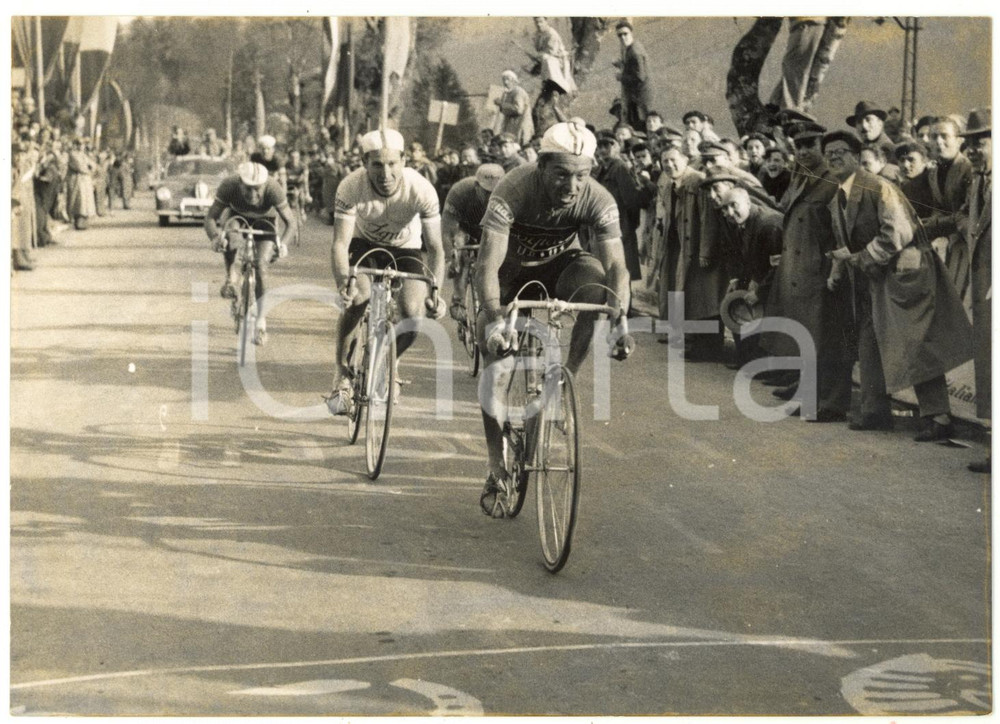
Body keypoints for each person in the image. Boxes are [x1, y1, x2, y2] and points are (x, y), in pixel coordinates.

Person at [473, 120, 632, 516]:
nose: (572, 186)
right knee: (497, 368)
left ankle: (567, 377)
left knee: (597, 287)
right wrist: (493, 318)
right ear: (541, 165)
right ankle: (496, 466)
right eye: (561, 174)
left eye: (581, 176)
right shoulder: (512, 188)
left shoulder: (597, 198)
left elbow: (618, 269)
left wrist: (620, 319)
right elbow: (486, 266)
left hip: (560, 265)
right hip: (510, 270)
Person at [823, 130, 972, 438]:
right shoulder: (839, 194)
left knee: (916, 344)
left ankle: (940, 418)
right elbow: (846, 241)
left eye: (840, 151)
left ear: (856, 156)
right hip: (875, 277)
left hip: (905, 276)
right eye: (829, 153)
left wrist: (861, 258)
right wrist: (842, 265)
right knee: (870, 342)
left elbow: (898, 232)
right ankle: (874, 411)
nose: (833, 157)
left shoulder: (878, 187)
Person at [326, 129, 447, 414]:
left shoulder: (422, 189)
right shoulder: (350, 187)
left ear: (404, 161)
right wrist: (345, 284)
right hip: (365, 244)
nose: (385, 173)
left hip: (406, 249)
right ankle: (342, 372)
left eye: (392, 163)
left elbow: (437, 249)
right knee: (358, 299)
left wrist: (436, 291)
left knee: (413, 315)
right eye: (377, 164)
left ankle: (389, 361)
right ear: (364, 163)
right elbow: (340, 244)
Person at [762, 122, 854, 417]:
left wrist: (834, 268)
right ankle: (808, 392)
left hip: (821, 270)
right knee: (805, 337)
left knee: (824, 340)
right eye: (799, 146)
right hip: (798, 271)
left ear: (822, 148)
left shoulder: (832, 180)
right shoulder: (801, 177)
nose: (803, 151)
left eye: (810, 145)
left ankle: (825, 400)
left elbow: (840, 229)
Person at [203, 161, 294, 346]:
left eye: (257, 189)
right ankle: (231, 277)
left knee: (261, 266)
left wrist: (283, 244)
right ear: (240, 183)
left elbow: (291, 223)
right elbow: (211, 217)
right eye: (247, 189)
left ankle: (261, 320)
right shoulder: (229, 185)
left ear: (265, 185)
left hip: (265, 221)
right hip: (237, 217)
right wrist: (214, 237)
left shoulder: (274, 188)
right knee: (230, 237)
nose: (252, 195)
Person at [958, 109, 991, 472]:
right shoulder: (979, 182)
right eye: (969, 144)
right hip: (983, 290)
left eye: (980, 142)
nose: (973, 150)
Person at [652, 144, 704, 343]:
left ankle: (689, 334)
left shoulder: (696, 181)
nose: (669, 164)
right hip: (672, 240)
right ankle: (674, 330)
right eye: (665, 160)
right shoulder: (668, 183)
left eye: (674, 160)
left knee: (687, 287)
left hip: (691, 242)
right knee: (671, 285)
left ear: (685, 160)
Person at [442, 163, 506, 320]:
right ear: (477, 186)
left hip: (492, 226)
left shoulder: (508, 192)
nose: (491, 196)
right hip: (464, 226)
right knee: (459, 254)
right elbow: (447, 228)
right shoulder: (460, 191)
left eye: (495, 191)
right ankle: (458, 299)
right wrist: (451, 255)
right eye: (487, 192)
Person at [594, 135, 655, 287]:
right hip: (606, 226)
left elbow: (631, 200)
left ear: (616, 147)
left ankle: (623, 310)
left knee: (620, 271)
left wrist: (628, 226)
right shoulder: (602, 169)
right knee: (607, 271)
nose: (603, 150)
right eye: (600, 146)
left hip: (620, 228)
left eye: (607, 146)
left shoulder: (619, 167)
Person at [926, 116, 975, 302]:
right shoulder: (934, 172)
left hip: (966, 243)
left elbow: (969, 212)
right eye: (934, 136)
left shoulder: (968, 168)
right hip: (945, 245)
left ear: (959, 139)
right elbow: (937, 207)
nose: (939, 141)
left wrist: (935, 224)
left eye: (945, 136)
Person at [529, 17, 576, 133]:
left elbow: (552, 51)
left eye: (541, 22)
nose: (539, 24)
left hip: (557, 59)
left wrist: (540, 55)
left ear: (546, 22)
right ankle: (546, 80)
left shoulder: (552, 34)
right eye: (536, 22)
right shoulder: (537, 35)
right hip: (545, 57)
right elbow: (538, 48)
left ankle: (553, 81)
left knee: (547, 60)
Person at [613, 20, 654, 130]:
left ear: (631, 33)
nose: (622, 37)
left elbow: (640, 77)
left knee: (640, 125)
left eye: (625, 34)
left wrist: (621, 77)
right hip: (636, 96)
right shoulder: (630, 49)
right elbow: (634, 68)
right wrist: (623, 64)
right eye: (619, 35)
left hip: (640, 97)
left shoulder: (635, 51)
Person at [494, 70, 534, 146]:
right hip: (512, 126)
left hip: (520, 125)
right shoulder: (508, 94)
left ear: (513, 80)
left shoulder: (518, 91)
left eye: (507, 79)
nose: (505, 82)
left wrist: (501, 104)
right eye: (504, 80)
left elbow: (518, 109)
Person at [284, 148, 311, 213]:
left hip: (299, 185)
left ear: (299, 158)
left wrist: (307, 193)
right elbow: (283, 179)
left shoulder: (303, 166)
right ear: (289, 158)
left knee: (301, 197)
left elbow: (305, 181)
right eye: (292, 157)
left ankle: (302, 209)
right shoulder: (285, 165)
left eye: (296, 157)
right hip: (288, 186)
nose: (294, 160)